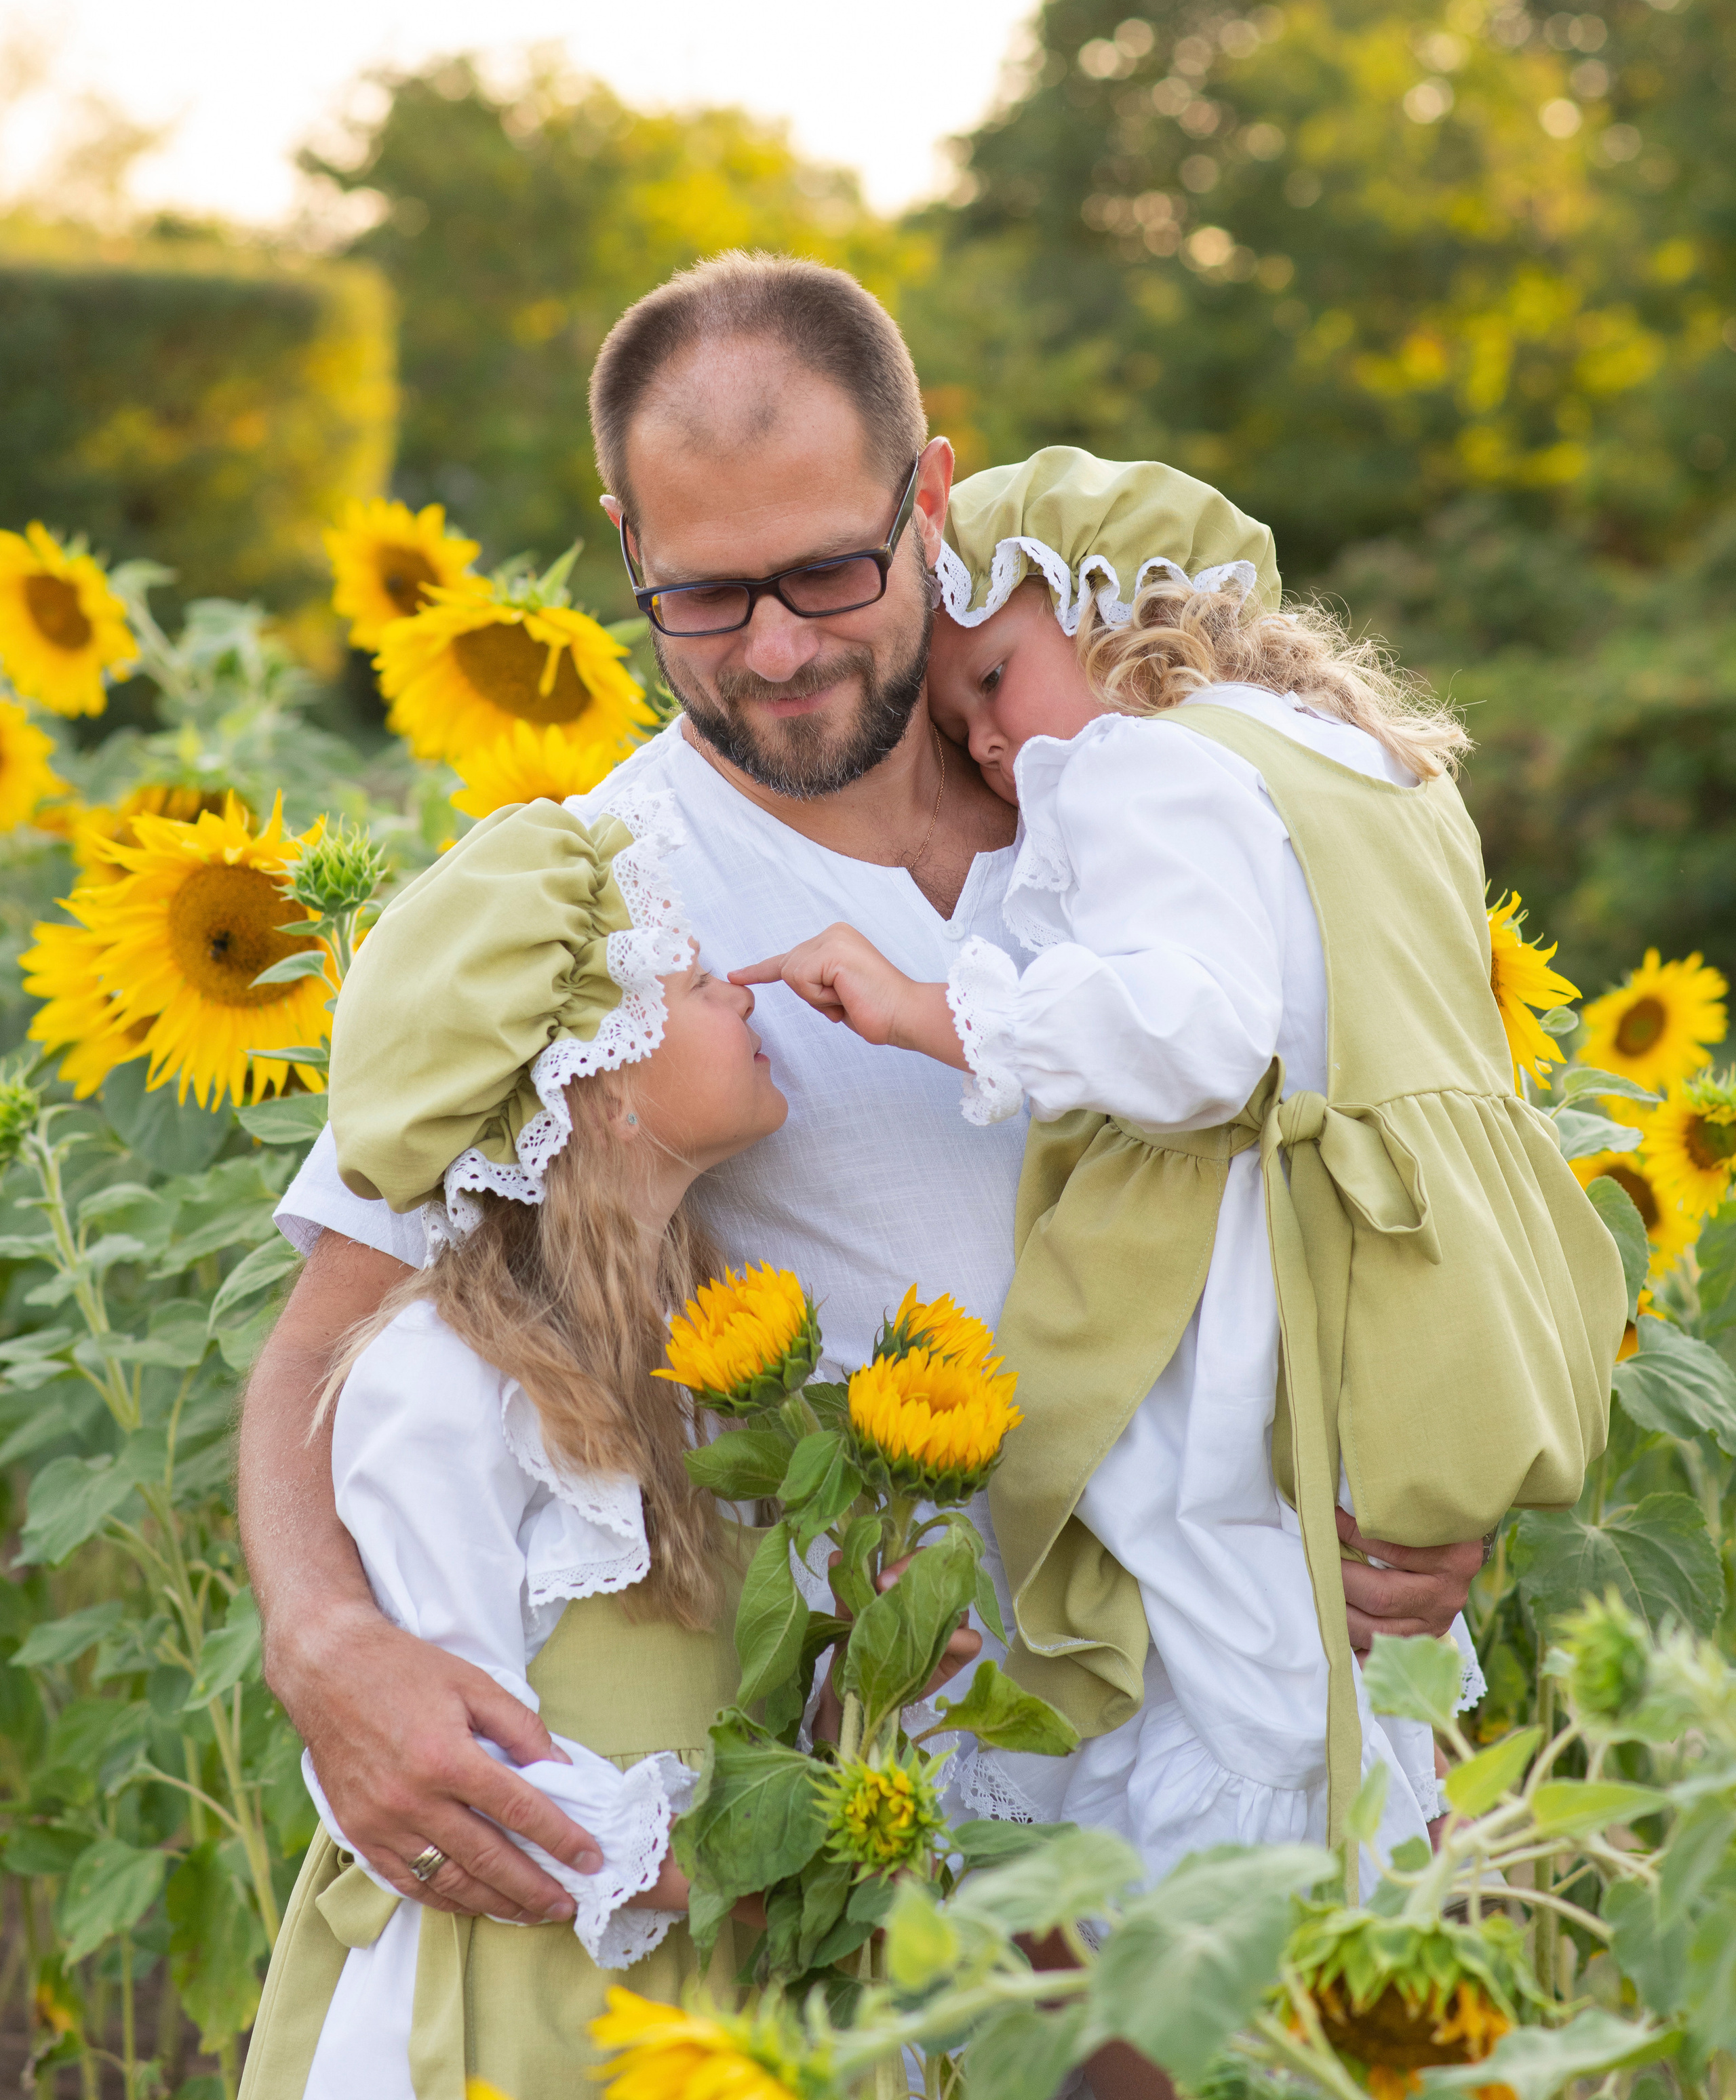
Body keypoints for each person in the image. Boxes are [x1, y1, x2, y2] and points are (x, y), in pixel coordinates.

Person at [237, 256, 1485, 1942]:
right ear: (624, 544)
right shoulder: (597, 905)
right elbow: (338, 1326)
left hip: (1281, 1682)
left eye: (829, 571)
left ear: (934, 496)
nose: (771, 650)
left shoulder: (1143, 779)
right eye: (700, 593)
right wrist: (324, 1645)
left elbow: (1406, 1133)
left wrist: (1431, 1485)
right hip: (940, 1776)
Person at [739, 445, 1625, 1888]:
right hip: (1398, 1268)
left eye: (987, 684)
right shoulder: (1365, 768)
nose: (982, 744)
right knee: (1302, 1590)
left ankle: (1224, 1879)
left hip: (1236, 1255)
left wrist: (928, 1011)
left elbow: (1195, 1038)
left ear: (1110, 612)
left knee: (1180, 1575)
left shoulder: (1139, 763)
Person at [240, 795, 789, 2097]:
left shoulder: (707, 1357)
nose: (746, 999)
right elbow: (447, 1761)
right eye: (702, 984)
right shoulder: (444, 1381)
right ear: (596, 1083)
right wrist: (707, 1871)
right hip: (531, 2000)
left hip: (702, 1983)